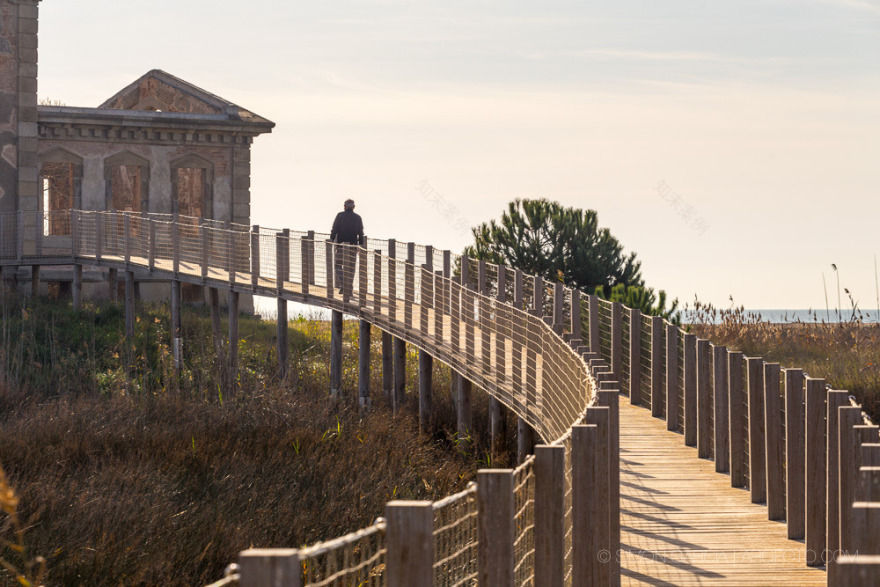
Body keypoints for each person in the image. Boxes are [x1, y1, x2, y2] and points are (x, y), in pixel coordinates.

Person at [330, 199, 364, 294]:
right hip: (352, 246)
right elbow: (360, 233)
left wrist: (331, 241)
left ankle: (344, 285)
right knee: (351, 268)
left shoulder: (340, 215)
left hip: (340, 245)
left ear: (344, 206)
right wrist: (360, 245)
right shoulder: (358, 218)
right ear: (354, 207)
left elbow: (334, 229)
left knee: (337, 265)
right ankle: (348, 287)